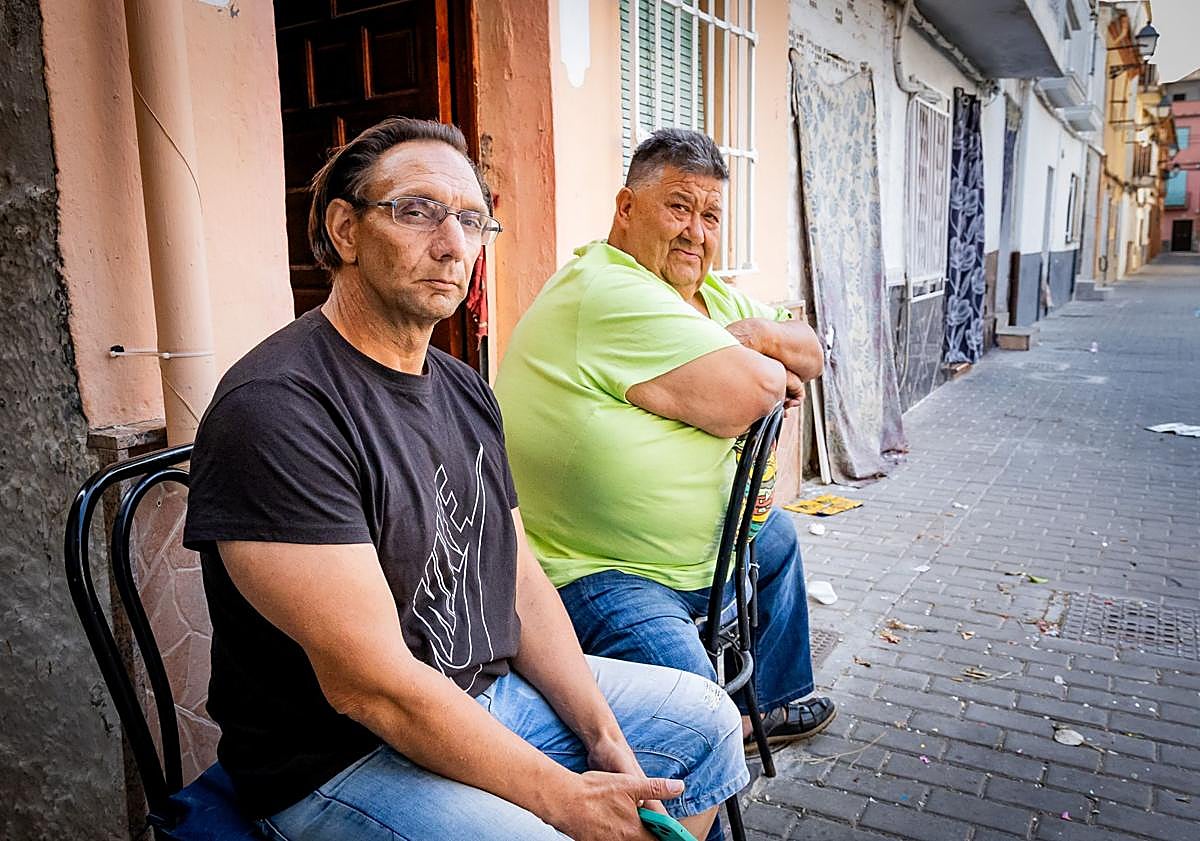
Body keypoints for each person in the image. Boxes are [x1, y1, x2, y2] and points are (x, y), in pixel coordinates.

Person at [183, 118, 747, 841]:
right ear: (345, 230)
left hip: (484, 692)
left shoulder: (460, 384)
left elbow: (517, 576)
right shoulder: (277, 408)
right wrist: (565, 800)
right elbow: (374, 688)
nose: (452, 245)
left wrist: (601, 733)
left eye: (473, 220)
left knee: (705, 719)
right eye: (416, 210)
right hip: (342, 761)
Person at [494, 129, 836, 769]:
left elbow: (810, 352)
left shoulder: (707, 295)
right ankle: (715, 747)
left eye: (710, 216)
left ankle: (775, 703)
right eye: (678, 207)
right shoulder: (609, 288)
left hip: (707, 554)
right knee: (696, 725)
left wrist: (754, 333)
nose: (695, 232)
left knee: (779, 539)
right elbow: (761, 387)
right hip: (601, 571)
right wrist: (763, 366)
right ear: (626, 208)